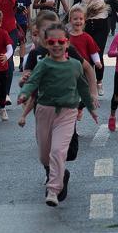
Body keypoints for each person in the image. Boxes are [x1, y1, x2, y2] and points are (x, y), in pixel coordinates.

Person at [18, 22, 97, 207]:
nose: (56, 45)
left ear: (67, 43)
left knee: (58, 151)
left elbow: (83, 88)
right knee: (45, 156)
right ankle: (61, 174)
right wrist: (24, 93)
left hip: (67, 112)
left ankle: (53, 189)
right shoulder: (44, 64)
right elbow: (33, 82)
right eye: (52, 41)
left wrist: (91, 108)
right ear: (46, 43)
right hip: (44, 111)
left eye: (60, 41)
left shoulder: (75, 65)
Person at [73, 0, 118, 96]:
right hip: (86, 23)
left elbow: (115, 3)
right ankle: (88, 82)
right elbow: (76, 3)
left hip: (102, 24)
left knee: (98, 53)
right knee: (85, 54)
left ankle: (99, 81)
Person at [14, 0, 32, 71]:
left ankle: (21, 63)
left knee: (22, 42)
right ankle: (11, 62)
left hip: (22, 22)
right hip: (12, 22)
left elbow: (28, 9)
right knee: (11, 42)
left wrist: (29, 22)